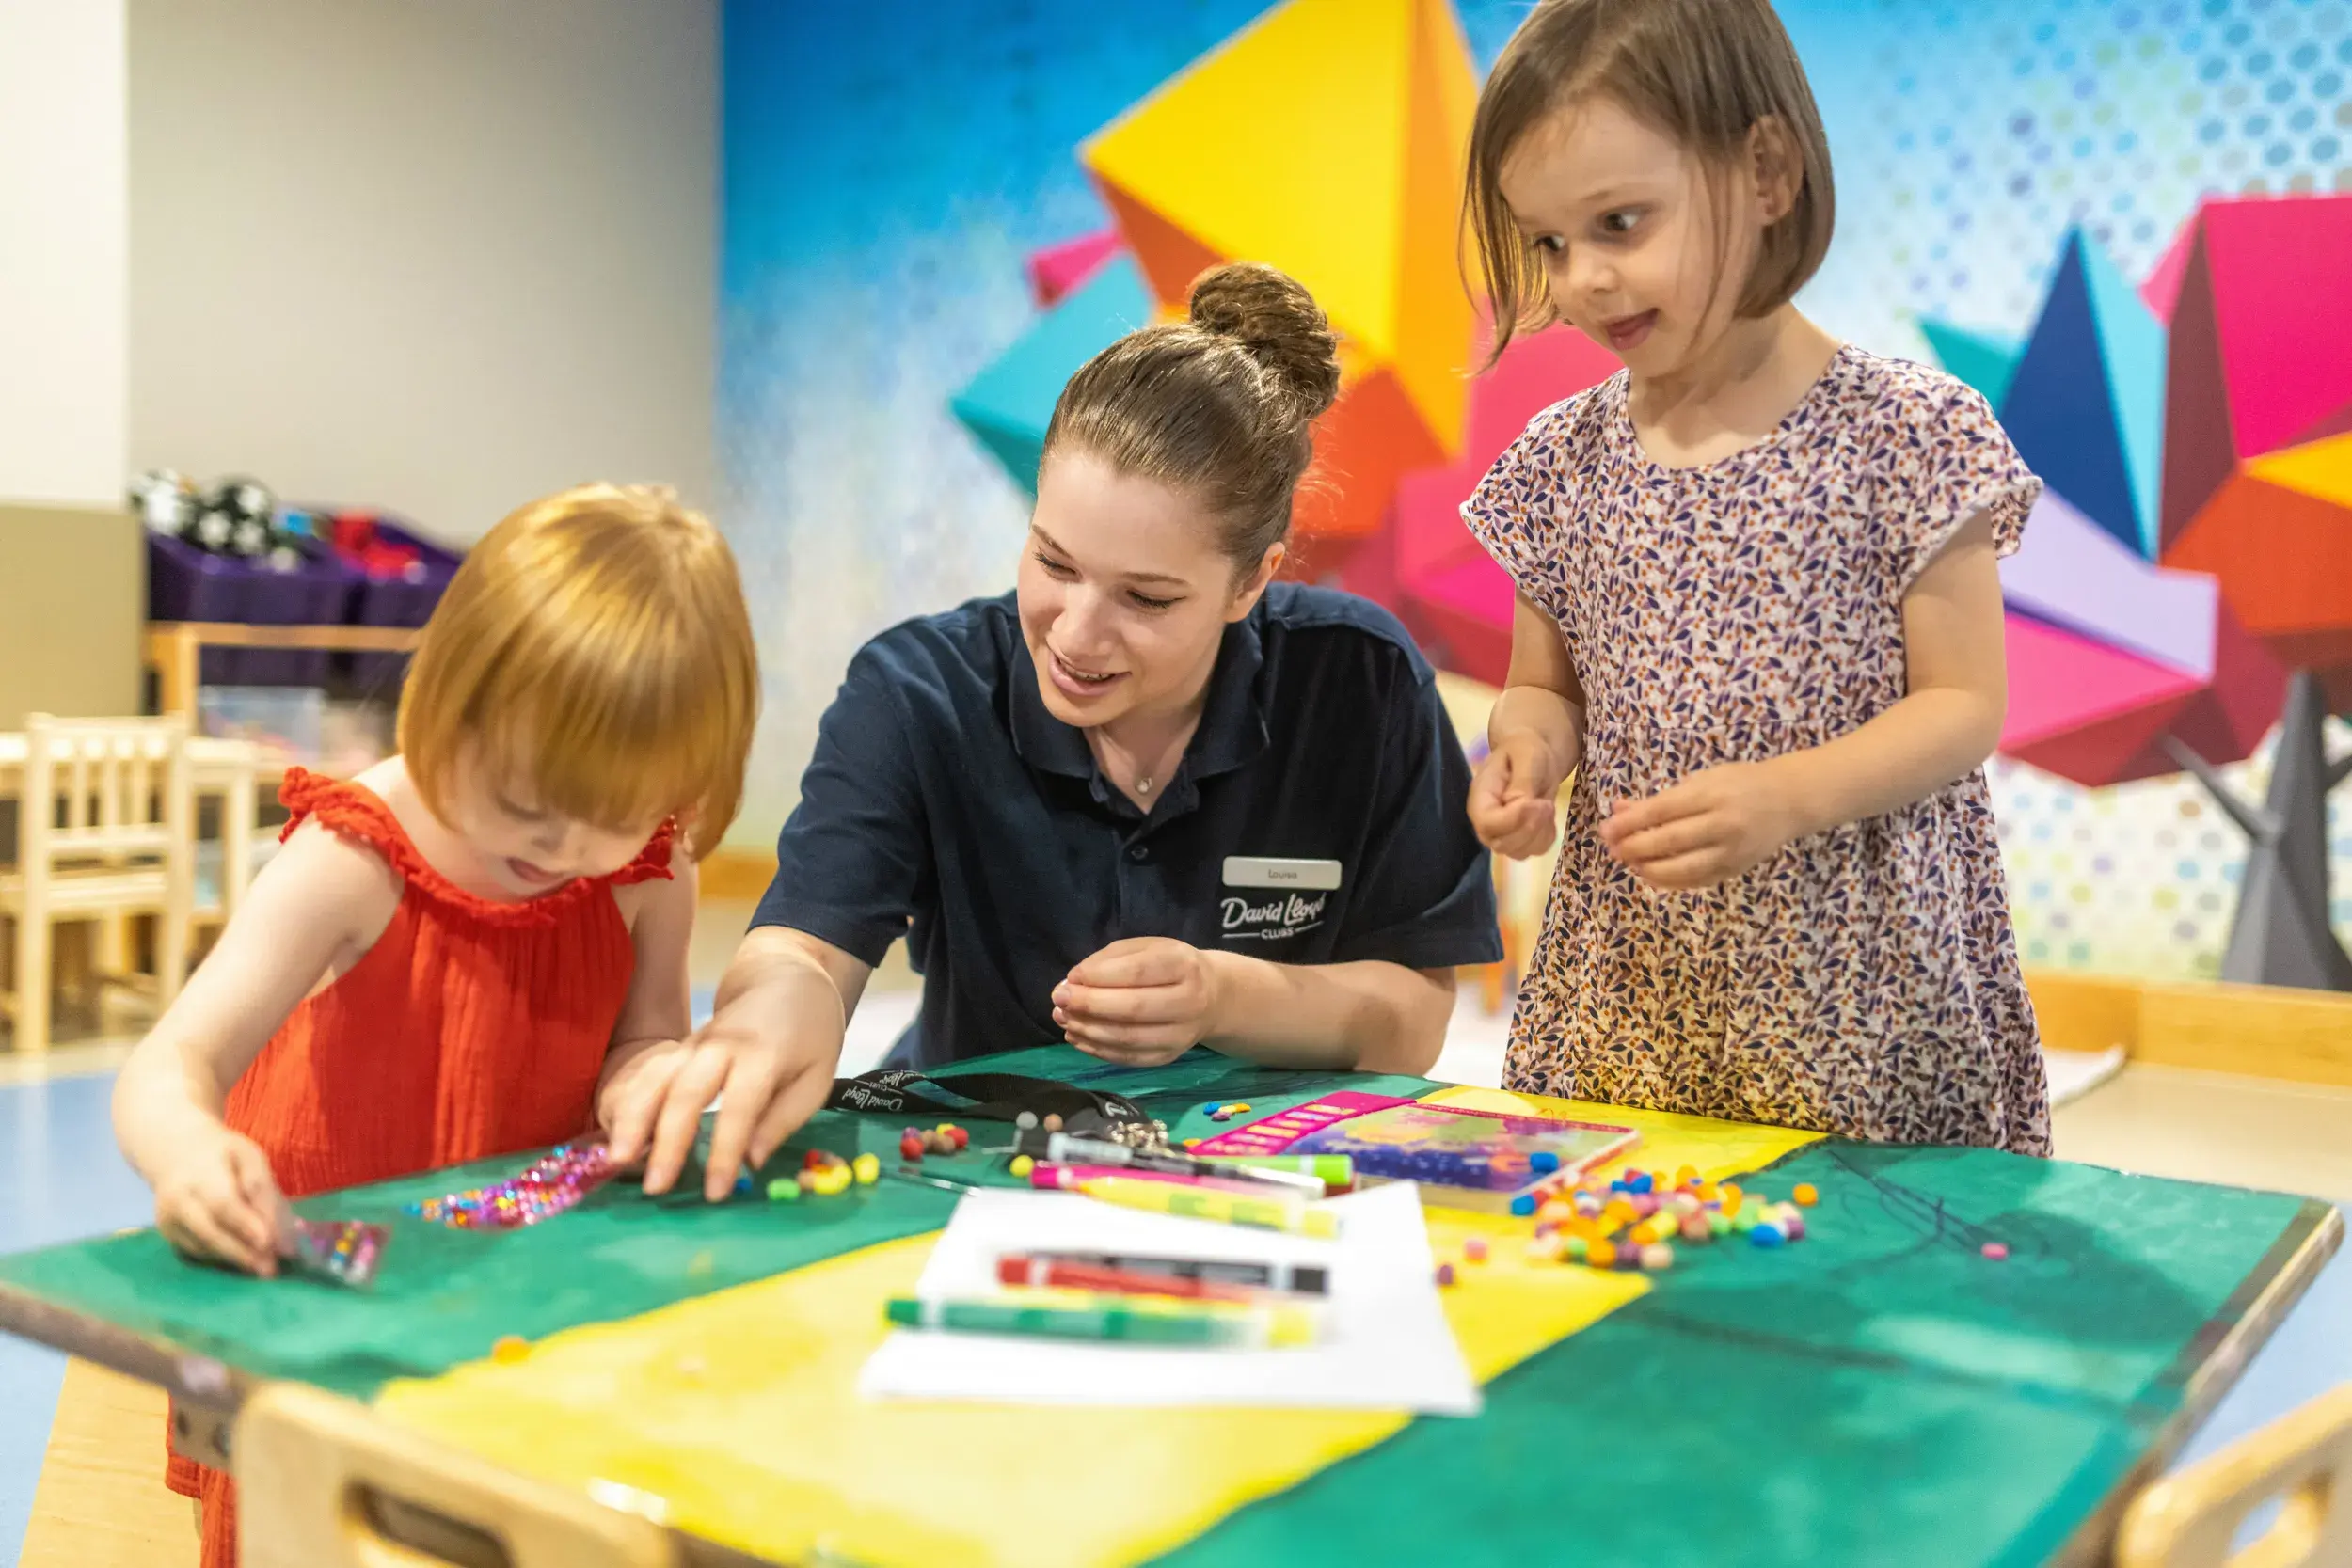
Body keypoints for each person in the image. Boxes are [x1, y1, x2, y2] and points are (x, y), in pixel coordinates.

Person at [614, 262, 1502, 1201]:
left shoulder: (1358, 681)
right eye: (1053, 561)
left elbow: (1410, 1022)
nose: (1076, 634)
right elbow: (803, 946)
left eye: (1145, 598)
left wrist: (1220, 995)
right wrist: (768, 1015)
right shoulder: (919, 690)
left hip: (1267, 1176)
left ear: (1251, 582)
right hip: (979, 1171)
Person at [111, 483, 759, 1565]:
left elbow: (645, 1034)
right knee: (313, 1523)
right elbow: (175, 1056)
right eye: (522, 798)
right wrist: (186, 1150)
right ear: (449, 705)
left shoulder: (650, 870)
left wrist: (648, 1076)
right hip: (318, 1281)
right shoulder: (353, 854)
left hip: (507, 1277)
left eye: (612, 816)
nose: (560, 846)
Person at [1457, 0, 2050, 1153]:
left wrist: (1786, 796)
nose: (1581, 280)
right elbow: (1546, 689)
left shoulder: (1911, 435)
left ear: (1766, 171)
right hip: (1634, 995)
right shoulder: (1558, 465)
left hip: (1864, 997)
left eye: (1619, 223)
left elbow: (1964, 705)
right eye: (1547, 244)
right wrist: (1522, 754)